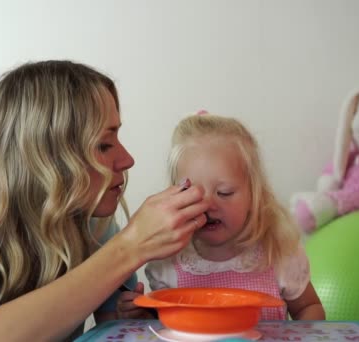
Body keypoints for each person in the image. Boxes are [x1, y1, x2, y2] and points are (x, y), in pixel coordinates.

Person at [0, 61, 215, 341]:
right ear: (45, 156)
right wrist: (131, 247)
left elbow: (109, 328)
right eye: (103, 144)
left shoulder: (93, 224)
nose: (127, 159)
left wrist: (135, 318)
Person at [117, 112, 325, 321]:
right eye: (192, 193)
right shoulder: (168, 262)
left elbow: (310, 308)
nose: (207, 205)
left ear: (254, 194)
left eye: (224, 192)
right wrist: (143, 315)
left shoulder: (279, 253)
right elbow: (164, 326)